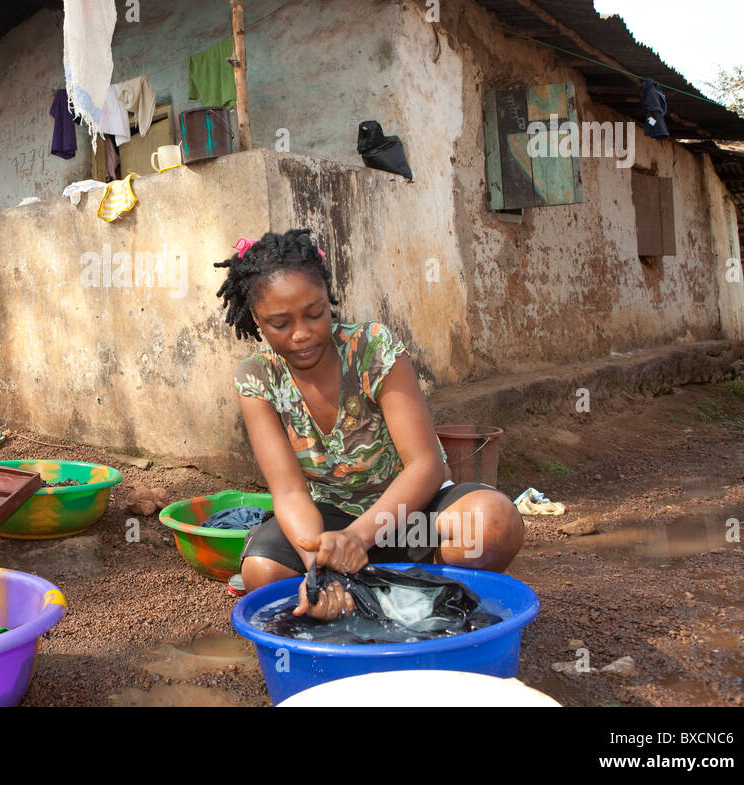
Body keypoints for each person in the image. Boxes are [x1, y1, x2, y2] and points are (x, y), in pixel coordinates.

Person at [215, 229, 524, 622]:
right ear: (257, 320)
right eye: (280, 323)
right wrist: (321, 566)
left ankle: (422, 602)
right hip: (331, 519)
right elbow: (290, 491)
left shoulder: (372, 349)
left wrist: (359, 538)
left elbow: (425, 465)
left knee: (491, 524)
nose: (302, 333)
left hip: (409, 519)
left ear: (329, 299)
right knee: (263, 571)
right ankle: (385, 599)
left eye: (315, 313)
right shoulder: (257, 378)